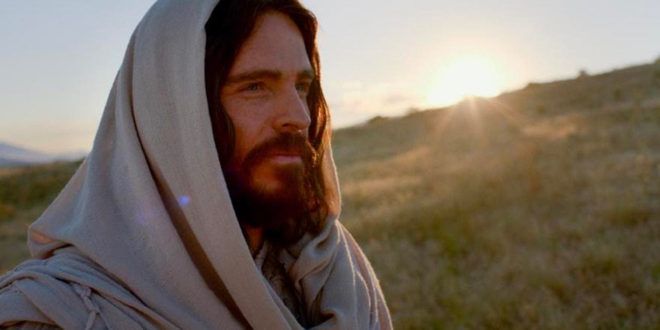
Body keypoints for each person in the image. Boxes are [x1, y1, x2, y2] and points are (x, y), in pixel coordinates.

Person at [0, 0, 392, 328]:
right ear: (169, 113)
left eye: (302, 87)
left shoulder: (333, 268)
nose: (299, 116)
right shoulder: (59, 313)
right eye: (255, 87)